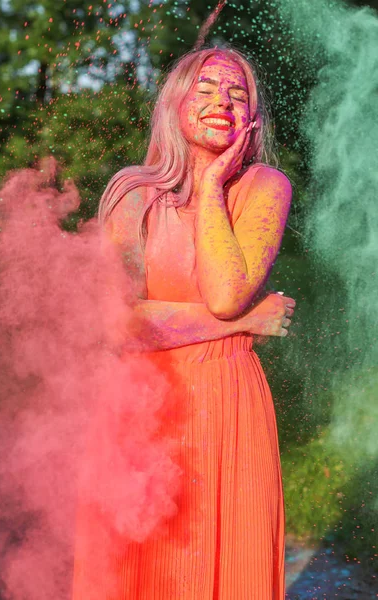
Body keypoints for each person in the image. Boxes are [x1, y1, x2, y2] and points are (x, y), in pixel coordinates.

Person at [74, 46, 295, 599]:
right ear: (174, 105)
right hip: (142, 408)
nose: (222, 100)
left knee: (224, 567)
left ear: (252, 118)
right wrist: (247, 322)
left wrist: (215, 186)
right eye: (205, 88)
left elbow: (226, 294)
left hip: (228, 407)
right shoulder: (133, 193)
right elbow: (117, 325)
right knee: (140, 572)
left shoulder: (265, 187)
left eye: (237, 92)